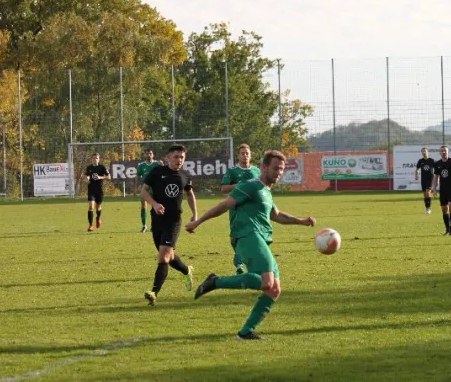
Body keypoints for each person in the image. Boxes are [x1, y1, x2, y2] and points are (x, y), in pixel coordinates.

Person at [186, 150, 316, 340]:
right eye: (275, 168)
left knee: (274, 289)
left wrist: (301, 221)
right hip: (247, 236)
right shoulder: (251, 185)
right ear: (264, 167)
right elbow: (224, 205)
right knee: (267, 281)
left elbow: (276, 215)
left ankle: (245, 332)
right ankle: (215, 281)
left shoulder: (267, 191)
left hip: (261, 239)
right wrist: (198, 221)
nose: (279, 172)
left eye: (281, 169)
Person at [141, 144, 197, 306]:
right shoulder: (157, 172)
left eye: (182, 157)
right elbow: (144, 191)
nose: (179, 160)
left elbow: (190, 194)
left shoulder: (185, 175)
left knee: (164, 255)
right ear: (168, 157)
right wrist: (155, 204)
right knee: (169, 256)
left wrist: (195, 215)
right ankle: (186, 270)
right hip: (157, 220)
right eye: (176, 157)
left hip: (174, 221)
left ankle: (153, 292)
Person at [221, 143, 261, 274]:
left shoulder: (256, 171)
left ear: (251, 155)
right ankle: (239, 257)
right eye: (242, 153)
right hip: (236, 208)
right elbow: (223, 189)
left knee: (253, 234)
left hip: (253, 209)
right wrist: (239, 185)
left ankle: (240, 262)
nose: (245, 155)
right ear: (238, 155)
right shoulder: (232, 171)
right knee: (235, 237)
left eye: (247, 153)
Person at [432, 145, 451, 236]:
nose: (443, 152)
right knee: (444, 210)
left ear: (448, 152)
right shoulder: (437, 164)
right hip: (443, 189)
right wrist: (434, 188)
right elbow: (436, 176)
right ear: (440, 153)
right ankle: (447, 229)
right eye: (442, 151)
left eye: (445, 151)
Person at [135, 148, 160, 233]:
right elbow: (138, 177)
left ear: (153, 155)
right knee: (143, 206)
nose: (148, 155)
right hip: (145, 189)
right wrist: (136, 188)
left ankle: (154, 225)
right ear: (144, 155)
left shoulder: (157, 164)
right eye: (147, 153)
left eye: (150, 153)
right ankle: (144, 225)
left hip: (155, 188)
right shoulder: (141, 166)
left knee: (154, 207)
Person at [85, 153, 111, 232]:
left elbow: (109, 177)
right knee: (90, 207)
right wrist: (87, 179)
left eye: (96, 158)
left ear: (99, 159)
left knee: (98, 207)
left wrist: (100, 177)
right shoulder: (89, 168)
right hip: (91, 190)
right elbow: (86, 176)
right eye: (93, 158)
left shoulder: (102, 167)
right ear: (91, 159)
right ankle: (90, 225)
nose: (95, 159)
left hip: (99, 190)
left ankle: (98, 218)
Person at [415, 147, 435, 215]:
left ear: (427, 152)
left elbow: (437, 168)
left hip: (430, 179)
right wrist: (417, 174)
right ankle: (427, 208)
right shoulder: (420, 161)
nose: (424, 153)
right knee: (424, 195)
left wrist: (437, 176)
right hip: (423, 179)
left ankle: (429, 208)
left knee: (428, 193)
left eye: (425, 151)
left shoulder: (431, 160)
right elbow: (417, 169)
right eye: (422, 152)